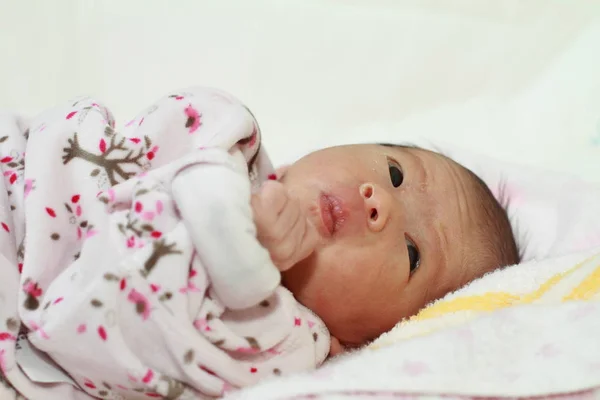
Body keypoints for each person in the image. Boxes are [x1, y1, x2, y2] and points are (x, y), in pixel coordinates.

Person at [0, 88, 518, 400]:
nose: (379, 200)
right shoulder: (228, 133)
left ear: (358, 345)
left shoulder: (278, 345)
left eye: (412, 253)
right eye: (396, 172)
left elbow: (90, 324)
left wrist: (240, 249)